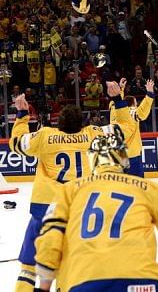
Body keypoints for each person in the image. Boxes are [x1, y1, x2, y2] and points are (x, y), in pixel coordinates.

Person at [34, 133, 158, 292]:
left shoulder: (70, 189)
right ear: (123, 157)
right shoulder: (147, 188)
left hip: (85, 280)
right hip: (141, 281)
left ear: (92, 159)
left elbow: (50, 237)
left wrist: (45, 285)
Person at [8, 96, 119, 292]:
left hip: (45, 210)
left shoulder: (44, 136)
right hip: (79, 211)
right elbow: (121, 134)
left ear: (59, 122)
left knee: (29, 268)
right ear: (82, 122)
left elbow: (16, 143)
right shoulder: (92, 134)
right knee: (68, 267)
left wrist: (22, 115)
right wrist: (118, 101)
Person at [109, 78, 154, 177]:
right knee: (137, 185)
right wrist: (150, 94)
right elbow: (143, 112)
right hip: (132, 155)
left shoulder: (113, 111)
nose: (136, 105)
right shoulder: (133, 112)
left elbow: (115, 103)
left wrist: (120, 89)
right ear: (132, 105)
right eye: (135, 103)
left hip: (116, 155)